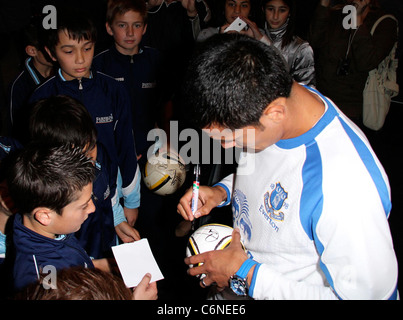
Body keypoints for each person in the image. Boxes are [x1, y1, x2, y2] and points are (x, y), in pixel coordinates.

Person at [177, 33, 398, 300]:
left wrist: (247, 274)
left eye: (231, 139)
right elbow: (277, 175)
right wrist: (223, 192)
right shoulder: (269, 106)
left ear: (275, 113)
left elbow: (370, 297)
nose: (226, 147)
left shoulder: (346, 188)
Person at [28, 7, 141, 227]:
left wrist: (132, 200)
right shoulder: (41, 98)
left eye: (87, 49)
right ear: (52, 53)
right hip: (63, 205)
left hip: (111, 199)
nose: (80, 59)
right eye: (69, 51)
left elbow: (126, 146)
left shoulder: (113, 90)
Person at [28, 95, 140, 259]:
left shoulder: (101, 156)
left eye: (91, 148)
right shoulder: (45, 193)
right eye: (81, 157)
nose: (91, 162)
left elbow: (110, 194)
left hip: (106, 248)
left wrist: (118, 221)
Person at [308, 0, 398, 126]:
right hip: (323, 100)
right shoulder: (337, 15)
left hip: (354, 108)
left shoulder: (384, 22)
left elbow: (366, 62)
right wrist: (324, 5)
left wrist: (357, 20)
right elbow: (314, 42)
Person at [93, 0, 163, 161]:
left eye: (137, 25)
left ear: (145, 28)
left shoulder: (157, 60)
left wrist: (166, 140)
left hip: (151, 150)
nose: (130, 33)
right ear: (109, 28)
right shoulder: (98, 65)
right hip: (112, 152)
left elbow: (165, 105)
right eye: (122, 25)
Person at [6, 17, 54, 143]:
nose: (54, 52)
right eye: (48, 49)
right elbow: (15, 131)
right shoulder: (19, 86)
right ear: (32, 51)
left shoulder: (64, 73)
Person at [15, 266, 158, 300]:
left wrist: (101, 264)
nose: (92, 208)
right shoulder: (39, 265)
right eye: (83, 206)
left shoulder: (49, 274)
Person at [262, 0, 316, 86]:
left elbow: (308, 91)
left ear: (289, 12)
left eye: (282, 10)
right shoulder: (252, 37)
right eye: (271, 9)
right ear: (263, 9)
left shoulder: (301, 48)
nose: (275, 16)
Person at [197, 0, 269, 44]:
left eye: (244, 5)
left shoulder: (257, 34)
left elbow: (277, 62)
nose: (237, 10)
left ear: (250, 10)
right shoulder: (208, 35)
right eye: (231, 4)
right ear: (224, 7)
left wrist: (259, 39)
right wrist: (221, 40)